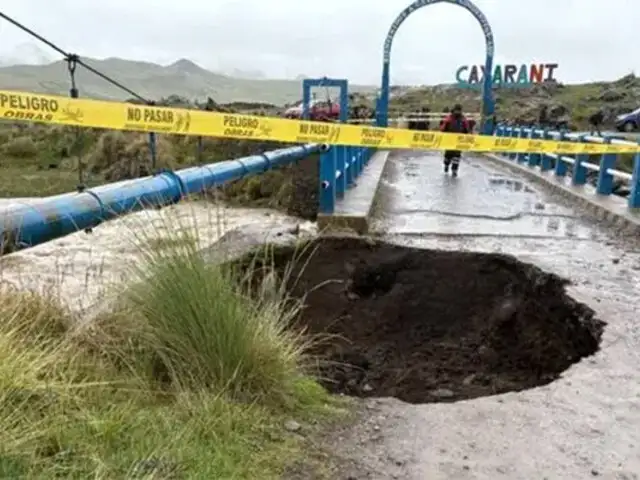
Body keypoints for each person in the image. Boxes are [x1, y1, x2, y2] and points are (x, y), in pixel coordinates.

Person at [440, 104, 470, 177]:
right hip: (449, 140)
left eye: (459, 110)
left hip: (459, 140)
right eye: (457, 110)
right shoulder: (449, 118)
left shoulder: (463, 119)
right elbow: (443, 128)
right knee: (448, 155)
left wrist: (466, 135)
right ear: (454, 110)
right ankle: (446, 165)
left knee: (457, 156)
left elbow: (467, 129)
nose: (458, 112)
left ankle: (454, 170)